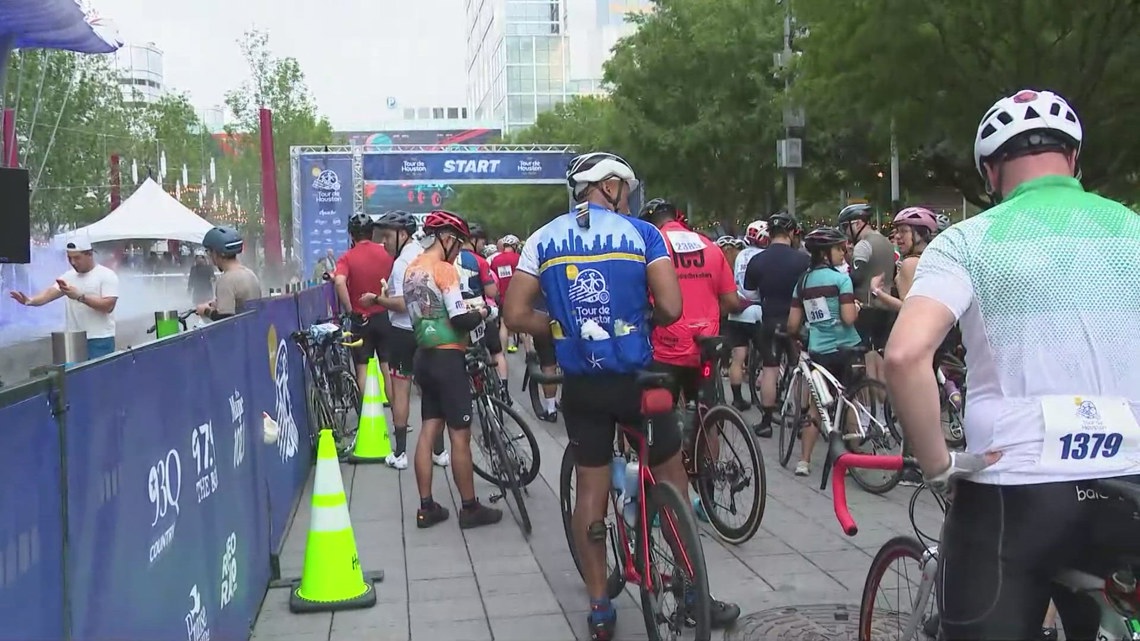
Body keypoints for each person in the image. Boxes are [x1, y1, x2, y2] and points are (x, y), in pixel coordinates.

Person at [884, 88, 1140, 640]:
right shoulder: (1133, 231)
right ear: (1073, 158)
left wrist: (939, 464)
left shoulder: (967, 241)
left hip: (1014, 488)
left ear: (991, 172)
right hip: (1129, 480)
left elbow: (905, 356)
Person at [502, 151, 740, 641]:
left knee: (590, 490)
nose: (629, 197)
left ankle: (599, 607)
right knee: (670, 476)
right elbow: (672, 308)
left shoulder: (542, 239)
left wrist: (561, 327)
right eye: (625, 188)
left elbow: (514, 313)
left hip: (584, 386)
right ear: (608, 186)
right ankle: (693, 593)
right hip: (639, 380)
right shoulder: (642, 234)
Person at [403, 210, 502, 530]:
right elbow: (460, 318)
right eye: (458, 244)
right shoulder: (444, 269)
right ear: (445, 239)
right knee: (460, 435)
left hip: (423, 356)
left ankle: (426, 507)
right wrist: (484, 311)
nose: (459, 251)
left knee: (429, 430)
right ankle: (470, 508)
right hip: (448, 358)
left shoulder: (411, 270)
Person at [362, 210, 444, 468]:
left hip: (402, 333)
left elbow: (403, 303)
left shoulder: (401, 263)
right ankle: (439, 452)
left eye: (387, 236)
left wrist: (377, 299)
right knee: (432, 391)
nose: (384, 242)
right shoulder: (426, 255)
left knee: (401, 392)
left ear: (402, 234)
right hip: (428, 331)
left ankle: (400, 454)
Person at [786, 227, 863, 477]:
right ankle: (851, 459)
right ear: (825, 254)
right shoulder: (842, 279)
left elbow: (792, 325)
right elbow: (849, 318)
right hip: (846, 347)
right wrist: (857, 308)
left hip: (819, 351)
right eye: (838, 248)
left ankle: (804, 461)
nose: (843, 253)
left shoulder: (802, 282)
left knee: (816, 407)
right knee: (849, 399)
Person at [743, 211, 810, 437]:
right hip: (796, 321)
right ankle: (802, 422)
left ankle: (766, 422)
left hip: (769, 318)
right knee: (799, 369)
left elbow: (750, 292)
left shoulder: (757, 260)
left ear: (769, 234)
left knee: (770, 369)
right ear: (791, 232)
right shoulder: (803, 260)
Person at [9, 239, 120, 359]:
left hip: (100, 338)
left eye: (77, 258)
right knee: (72, 376)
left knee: (99, 376)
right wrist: (30, 301)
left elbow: (108, 306)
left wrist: (80, 297)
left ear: (89, 254)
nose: (73, 262)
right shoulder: (68, 276)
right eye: (69, 258)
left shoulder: (106, 275)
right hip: (73, 338)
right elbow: (49, 293)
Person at [335, 212, 395, 399]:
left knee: (362, 369)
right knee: (388, 370)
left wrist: (350, 310)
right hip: (385, 315)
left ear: (352, 235)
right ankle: (398, 421)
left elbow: (339, 281)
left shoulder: (347, 257)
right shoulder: (387, 254)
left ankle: (367, 418)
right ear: (371, 233)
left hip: (361, 320)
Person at [836, 203, 895, 380]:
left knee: (868, 357)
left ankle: (872, 397)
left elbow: (857, 276)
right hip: (887, 305)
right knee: (881, 353)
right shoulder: (886, 242)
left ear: (857, 223)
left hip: (867, 306)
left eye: (846, 226)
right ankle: (885, 398)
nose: (846, 232)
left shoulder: (864, 245)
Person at [457, 222, 511, 404]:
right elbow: (491, 293)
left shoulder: (449, 260)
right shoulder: (479, 261)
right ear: (472, 240)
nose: (483, 245)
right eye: (481, 242)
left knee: (461, 356)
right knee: (496, 352)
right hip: (480, 312)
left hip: (459, 316)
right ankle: (503, 389)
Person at [725, 219, 773, 411]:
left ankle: (737, 398)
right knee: (769, 358)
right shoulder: (764, 256)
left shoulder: (740, 254)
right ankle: (765, 393)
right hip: (756, 310)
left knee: (738, 356)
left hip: (737, 309)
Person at [194, 226, 261, 321]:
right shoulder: (250, 274)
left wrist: (205, 310)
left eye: (209, 252)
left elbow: (225, 319)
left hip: (241, 334)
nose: (209, 257)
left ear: (217, 253)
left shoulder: (226, 281)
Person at [489, 234, 521, 353]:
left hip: (502, 296)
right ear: (514, 246)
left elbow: (493, 278)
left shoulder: (496, 260)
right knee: (523, 325)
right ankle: (529, 352)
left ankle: (502, 351)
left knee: (503, 323)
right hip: (518, 295)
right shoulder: (518, 258)